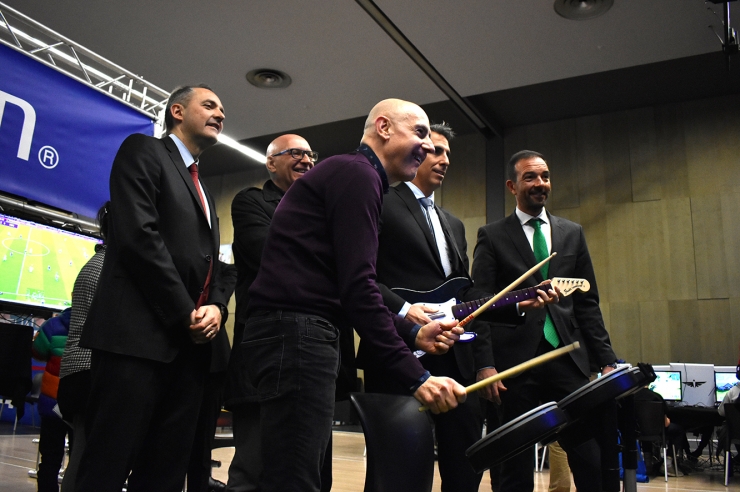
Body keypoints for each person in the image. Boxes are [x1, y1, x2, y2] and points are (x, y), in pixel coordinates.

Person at [242, 99, 468, 492]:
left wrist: (412, 333)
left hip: (297, 334)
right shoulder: (358, 174)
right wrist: (417, 376)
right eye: (419, 133)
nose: (428, 147)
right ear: (383, 127)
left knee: (295, 475)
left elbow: (340, 283)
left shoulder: (356, 175)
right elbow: (358, 286)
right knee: (295, 480)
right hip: (298, 336)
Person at [360, 122, 557, 492]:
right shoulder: (380, 201)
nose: (445, 159)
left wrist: (515, 306)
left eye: (449, 153)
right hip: (400, 350)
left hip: (457, 357)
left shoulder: (454, 223)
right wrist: (406, 310)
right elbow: (360, 278)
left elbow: (463, 299)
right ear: (415, 152)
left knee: (466, 465)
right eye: (436, 150)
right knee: (398, 467)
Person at [76, 84, 230, 492]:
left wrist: (216, 307)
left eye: (222, 109)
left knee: (164, 471)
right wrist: (185, 312)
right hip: (136, 343)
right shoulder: (142, 150)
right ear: (177, 111)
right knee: (107, 465)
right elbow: (139, 237)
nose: (220, 114)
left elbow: (214, 263)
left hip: (189, 353)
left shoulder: (204, 188)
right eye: (210, 105)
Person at [471, 150, 618, 492]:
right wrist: (485, 364)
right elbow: (478, 306)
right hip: (513, 368)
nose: (540, 184)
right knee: (514, 467)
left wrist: (606, 361)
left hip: (568, 359)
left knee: (589, 458)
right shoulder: (492, 236)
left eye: (545, 177)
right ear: (512, 185)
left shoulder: (572, 233)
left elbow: (588, 304)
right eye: (531, 178)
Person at [224, 134, 326, 492]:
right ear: (271, 163)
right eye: (295, 152)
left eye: (311, 153)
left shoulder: (324, 207)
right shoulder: (252, 201)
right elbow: (269, 253)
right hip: (265, 355)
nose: (307, 159)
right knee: (252, 470)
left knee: (310, 475)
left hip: (315, 355)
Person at [56, 202, 108, 492]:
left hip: (78, 373)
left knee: (84, 454)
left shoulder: (95, 265)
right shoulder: (106, 269)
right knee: (87, 458)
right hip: (87, 372)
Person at [187, 260, 237, 492]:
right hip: (180, 357)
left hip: (213, 363)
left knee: (203, 439)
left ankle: (200, 480)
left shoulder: (215, 271)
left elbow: (230, 271)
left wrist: (217, 304)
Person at [32, 308, 71, 492]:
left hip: (52, 403)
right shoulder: (101, 324)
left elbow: (38, 351)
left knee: (49, 460)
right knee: (79, 460)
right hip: (80, 406)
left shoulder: (53, 325)